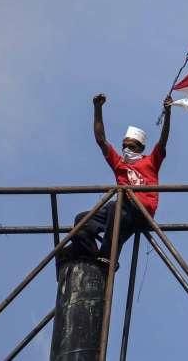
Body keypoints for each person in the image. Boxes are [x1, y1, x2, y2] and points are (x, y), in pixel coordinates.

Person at [62, 93, 172, 269]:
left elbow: (163, 140)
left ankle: (108, 256)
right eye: (124, 145)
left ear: (141, 148)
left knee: (116, 204)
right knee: (82, 219)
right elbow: (101, 140)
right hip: (121, 211)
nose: (127, 149)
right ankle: (91, 257)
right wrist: (97, 108)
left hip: (141, 211)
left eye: (131, 146)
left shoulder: (150, 161)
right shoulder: (119, 163)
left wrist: (168, 112)